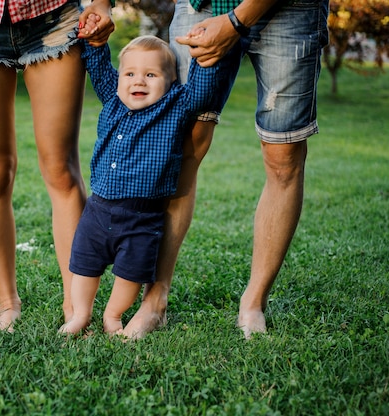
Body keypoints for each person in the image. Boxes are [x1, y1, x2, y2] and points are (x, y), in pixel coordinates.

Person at [121, 0, 330, 339]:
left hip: (291, 9)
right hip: (204, 5)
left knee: (284, 160)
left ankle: (253, 302)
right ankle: (154, 300)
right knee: (180, 147)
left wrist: (236, 22)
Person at [0, 0, 114, 332]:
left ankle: (75, 306)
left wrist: (101, 3)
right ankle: (7, 303)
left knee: (61, 169)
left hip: (52, 17)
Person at [59, 33, 227, 335]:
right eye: (130, 73)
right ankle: (80, 315)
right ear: (120, 77)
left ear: (171, 81)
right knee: (84, 267)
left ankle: (113, 316)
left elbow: (201, 91)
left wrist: (206, 59)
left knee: (130, 275)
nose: (139, 81)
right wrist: (95, 42)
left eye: (151, 75)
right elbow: (98, 66)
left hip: (142, 217)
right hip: (97, 211)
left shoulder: (176, 106)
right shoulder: (113, 97)